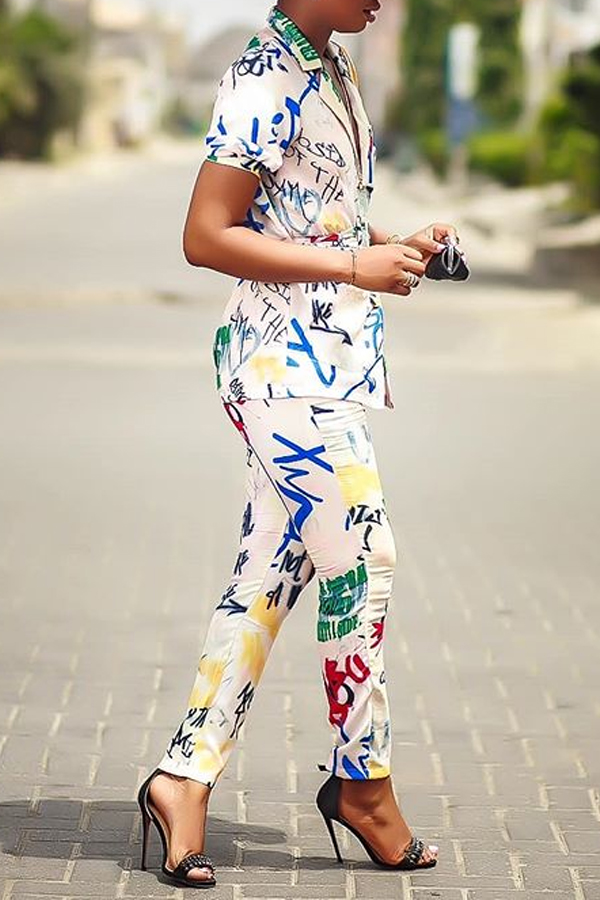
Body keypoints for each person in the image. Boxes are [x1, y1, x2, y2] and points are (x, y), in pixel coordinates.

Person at [138, 0, 459, 888]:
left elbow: (308, 222)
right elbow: (207, 235)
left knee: (268, 578)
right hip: (280, 368)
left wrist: (392, 246)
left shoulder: (330, 64)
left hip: (325, 366)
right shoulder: (264, 75)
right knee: (366, 555)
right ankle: (363, 782)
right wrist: (355, 267)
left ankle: (182, 778)